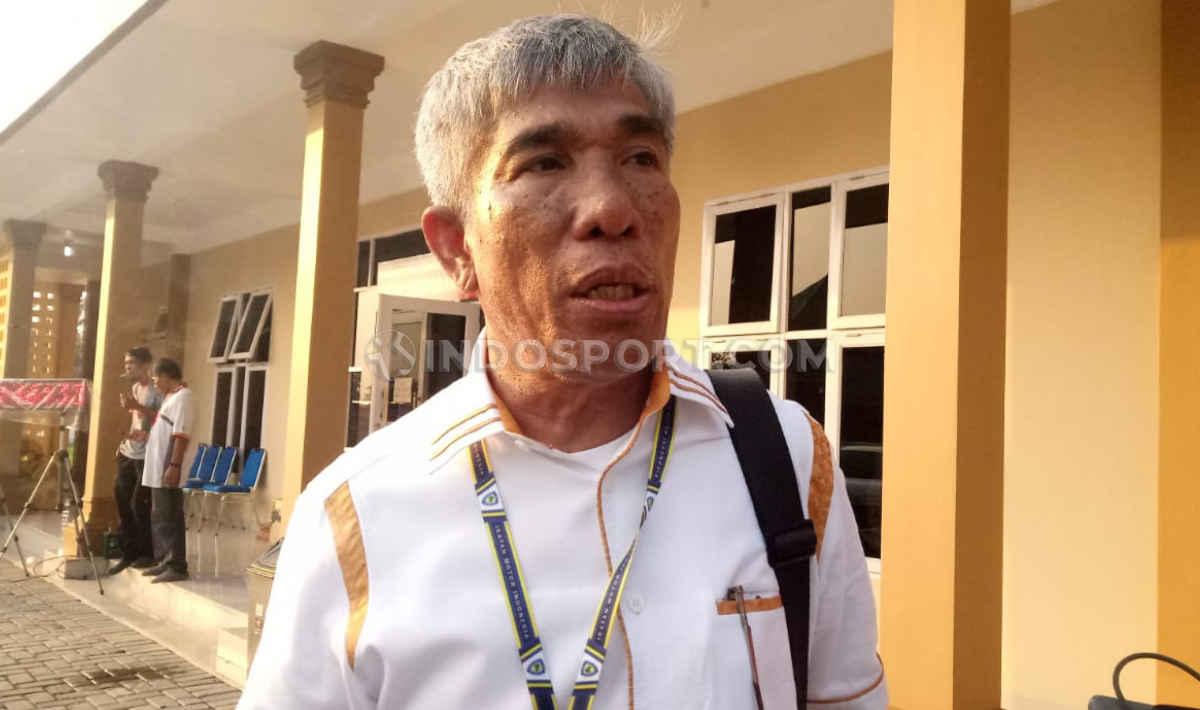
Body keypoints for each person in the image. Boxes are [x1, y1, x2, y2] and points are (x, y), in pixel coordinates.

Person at [241, 15, 885, 709]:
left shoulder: (785, 457)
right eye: (544, 163)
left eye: (641, 158)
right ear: (457, 249)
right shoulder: (354, 516)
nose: (612, 209)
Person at [106, 347, 162, 575]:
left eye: (132, 363)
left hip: (147, 454)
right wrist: (126, 438)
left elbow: (163, 419)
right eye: (126, 363)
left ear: (146, 365)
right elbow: (137, 421)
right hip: (129, 451)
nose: (127, 367)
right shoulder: (136, 388)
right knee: (121, 499)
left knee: (140, 504)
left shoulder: (157, 391)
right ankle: (128, 552)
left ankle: (147, 553)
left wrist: (138, 407)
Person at [139, 358, 193, 584]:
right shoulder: (170, 398)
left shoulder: (184, 397)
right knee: (160, 514)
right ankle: (164, 559)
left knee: (170, 514)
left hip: (167, 466)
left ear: (165, 375)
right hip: (156, 466)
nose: (155, 383)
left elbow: (181, 435)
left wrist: (174, 465)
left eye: (155, 379)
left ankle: (176, 565)